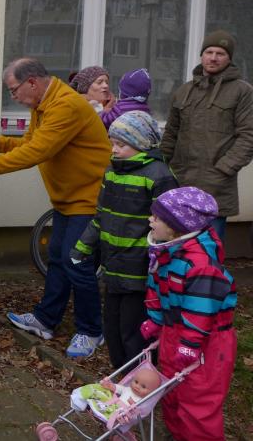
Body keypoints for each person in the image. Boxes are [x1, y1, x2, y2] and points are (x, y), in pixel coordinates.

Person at [0, 58, 111, 358]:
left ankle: (92, 330)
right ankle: (46, 320)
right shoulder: (43, 105)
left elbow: (39, 151)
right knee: (58, 257)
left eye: (13, 90)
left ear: (32, 82)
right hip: (68, 199)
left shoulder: (65, 106)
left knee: (76, 261)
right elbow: (31, 141)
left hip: (88, 198)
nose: (13, 97)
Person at [69, 111, 177, 368]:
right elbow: (101, 215)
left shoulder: (159, 175)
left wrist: (160, 259)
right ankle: (120, 373)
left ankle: (141, 377)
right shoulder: (112, 171)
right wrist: (82, 246)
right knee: (113, 325)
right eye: (113, 143)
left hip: (140, 269)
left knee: (133, 328)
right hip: (113, 264)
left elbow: (170, 226)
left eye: (121, 144)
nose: (114, 150)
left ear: (141, 143)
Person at [140, 186, 236, 441]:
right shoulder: (167, 254)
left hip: (205, 343)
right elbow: (157, 290)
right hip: (174, 334)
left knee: (198, 401)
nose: (150, 220)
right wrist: (156, 320)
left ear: (176, 227)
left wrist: (190, 344)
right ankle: (178, 435)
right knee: (171, 391)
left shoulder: (201, 266)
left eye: (157, 217)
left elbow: (201, 310)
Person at [160, 30, 253, 241]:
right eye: (209, 52)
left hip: (216, 185)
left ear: (229, 58)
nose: (213, 58)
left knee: (208, 249)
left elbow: (248, 136)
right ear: (202, 55)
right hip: (181, 181)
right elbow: (171, 133)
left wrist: (223, 169)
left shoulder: (242, 91)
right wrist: (163, 167)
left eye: (220, 53)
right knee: (178, 246)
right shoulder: (184, 91)